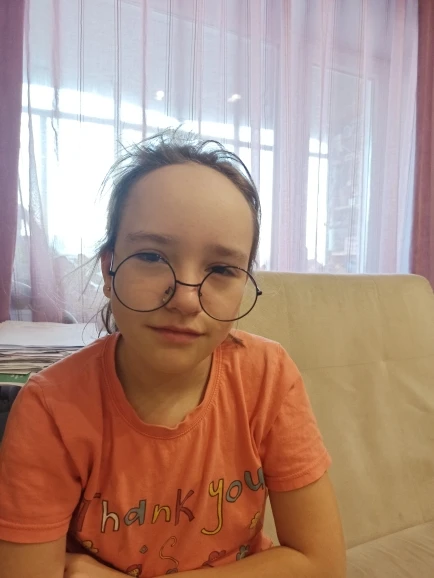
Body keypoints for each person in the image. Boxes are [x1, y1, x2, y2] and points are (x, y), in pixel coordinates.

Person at [0, 130, 345, 578]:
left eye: (221, 269)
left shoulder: (268, 377)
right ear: (108, 271)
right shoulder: (51, 408)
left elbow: (323, 563)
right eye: (151, 256)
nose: (185, 299)